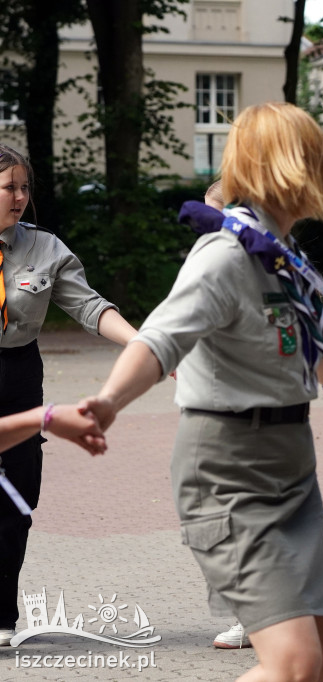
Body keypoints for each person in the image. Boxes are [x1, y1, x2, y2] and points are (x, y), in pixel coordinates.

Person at [82, 102, 323, 682]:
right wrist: (108, 402)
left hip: (291, 464)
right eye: (313, 154)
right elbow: (158, 341)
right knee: (295, 662)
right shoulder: (225, 254)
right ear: (281, 166)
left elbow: (302, 334)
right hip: (229, 470)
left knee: (320, 659)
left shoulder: (280, 255)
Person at [0, 144, 137, 648]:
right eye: (9, 187)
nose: (19, 197)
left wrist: (143, 344)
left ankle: (2, 613)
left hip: (17, 376)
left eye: (24, 187)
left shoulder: (45, 249)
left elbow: (89, 306)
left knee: (16, 500)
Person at [198, 179, 251, 652]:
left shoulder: (270, 262)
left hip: (259, 412)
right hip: (214, 407)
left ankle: (268, 616)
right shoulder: (205, 265)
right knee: (220, 517)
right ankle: (245, 616)